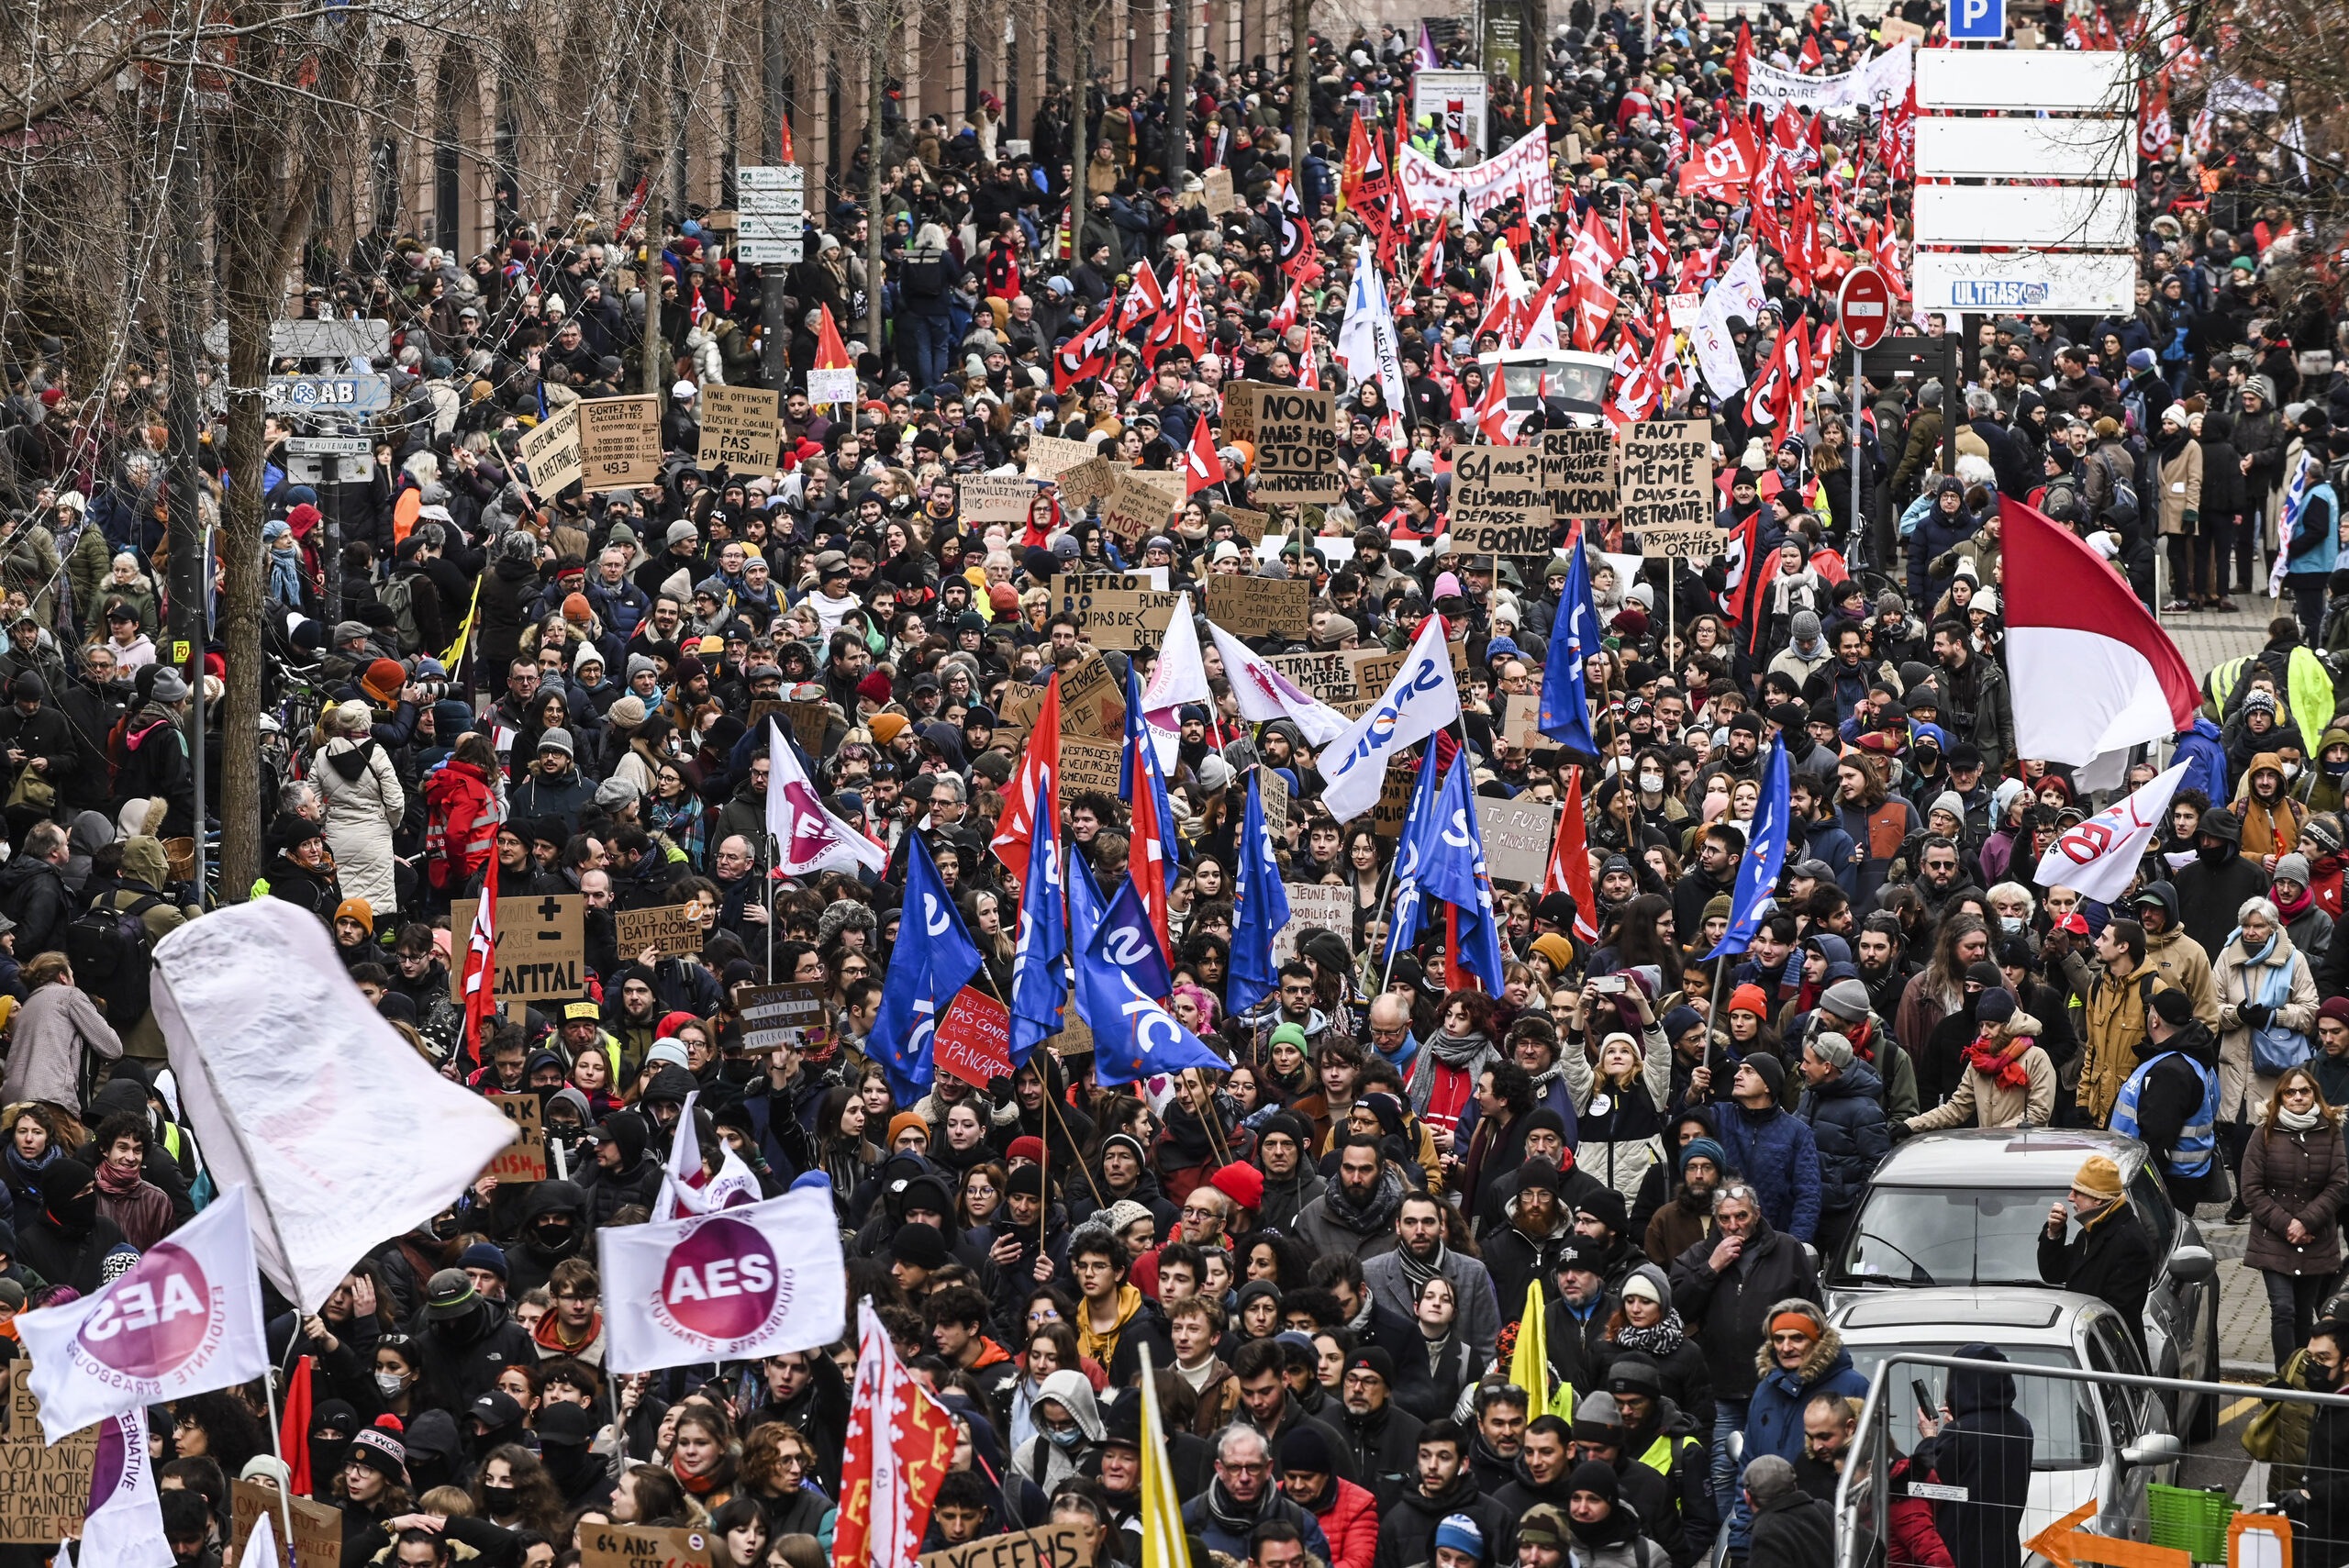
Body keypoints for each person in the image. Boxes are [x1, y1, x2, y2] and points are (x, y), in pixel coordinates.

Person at [2239, 1064, 2348, 1367]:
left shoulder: (2330, 1130)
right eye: (2291, 1092)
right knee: (2283, 1310)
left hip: (2316, 1240)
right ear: (2280, 1097)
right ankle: (2285, 1378)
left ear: (2314, 1093)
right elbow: (2251, 1189)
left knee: (2303, 1314)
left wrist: (2306, 1221)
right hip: (2273, 1240)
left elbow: (2338, 1184)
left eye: (2304, 1091)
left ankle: (2305, 1378)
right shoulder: (2264, 1133)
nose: (2298, 1097)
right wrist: (2288, 1225)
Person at [1912, 1345, 2032, 1568]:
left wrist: (1930, 1437)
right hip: (2003, 1553)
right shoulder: (2021, 1426)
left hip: (1960, 1552)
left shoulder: (1960, 1434)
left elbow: (1925, 1479)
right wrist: (1961, 1420)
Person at [2038, 1155, 2158, 1356]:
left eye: (2078, 1192)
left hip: (2108, 1357)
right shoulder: (2092, 1231)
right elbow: (2053, 1272)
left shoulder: (2128, 1243)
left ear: (2097, 1199)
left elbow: (2118, 1316)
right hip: (2086, 1345)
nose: (2070, 1197)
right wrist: (2054, 1233)